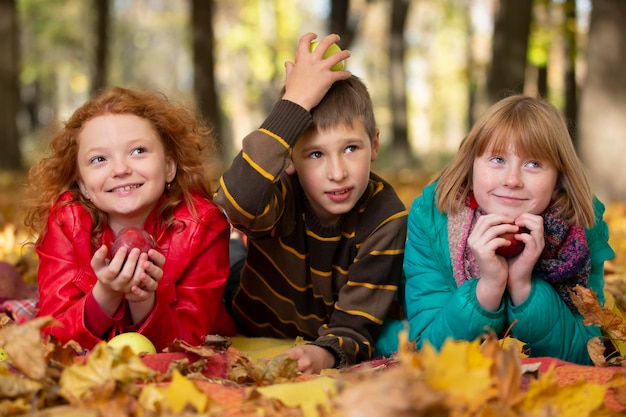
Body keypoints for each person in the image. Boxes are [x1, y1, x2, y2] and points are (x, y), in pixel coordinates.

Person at [214, 33, 408, 374]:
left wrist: (326, 354)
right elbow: (234, 203)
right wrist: (296, 102)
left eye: (351, 148)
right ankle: (236, 248)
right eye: (316, 154)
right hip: (247, 306)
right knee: (232, 254)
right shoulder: (282, 192)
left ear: (374, 145)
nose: (337, 173)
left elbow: (356, 323)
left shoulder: (385, 217)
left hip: (318, 324)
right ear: (289, 157)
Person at [400, 94, 614, 365]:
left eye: (533, 164)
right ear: (471, 164)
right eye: (497, 159)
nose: (512, 180)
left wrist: (524, 286)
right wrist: (488, 288)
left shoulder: (581, 229)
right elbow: (426, 352)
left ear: (559, 177)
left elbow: (587, 353)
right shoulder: (434, 220)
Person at [24, 87, 236, 351]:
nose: (121, 169)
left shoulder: (202, 224)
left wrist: (143, 301)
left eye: (138, 151)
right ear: (83, 184)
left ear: (169, 166)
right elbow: (51, 336)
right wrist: (105, 295)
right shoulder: (66, 222)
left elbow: (191, 339)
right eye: (99, 159)